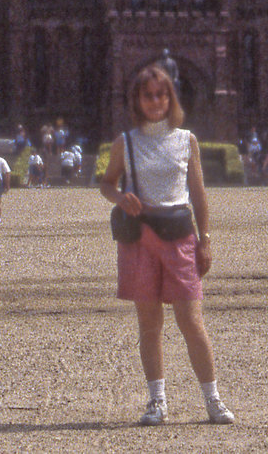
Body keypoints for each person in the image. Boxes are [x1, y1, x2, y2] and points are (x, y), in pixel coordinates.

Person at [98, 63, 234, 427]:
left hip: (179, 234)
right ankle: (157, 401)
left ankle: (213, 399)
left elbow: (198, 194)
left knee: (191, 321)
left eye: (162, 95)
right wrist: (120, 197)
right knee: (150, 325)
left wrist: (205, 240)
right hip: (140, 237)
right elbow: (107, 183)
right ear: (137, 100)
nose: (155, 102)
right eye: (148, 95)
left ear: (170, 97)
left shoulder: (185, 139)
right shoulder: (124, 142)